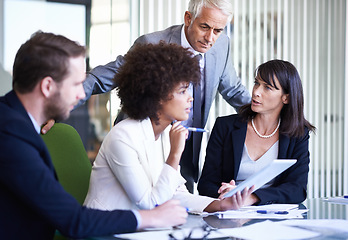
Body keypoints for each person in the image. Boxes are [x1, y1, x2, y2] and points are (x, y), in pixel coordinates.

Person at [42, 0, 251, 192]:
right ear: (188, 18)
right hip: (140, 146)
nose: (210, 38)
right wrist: (56, 106)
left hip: (185, 148)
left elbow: (233, 90)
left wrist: (271, 117)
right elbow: (103, 77)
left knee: (182, 208)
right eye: (204, 27)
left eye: (218, 30)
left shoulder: (221, 45)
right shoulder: (153, 43)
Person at [0, 31, 188, 240]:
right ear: (47, 86)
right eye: (75, 84)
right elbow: (73, 220)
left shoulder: (14, 121)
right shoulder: (10, 135)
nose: (82, 94)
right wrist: (151, 218)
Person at [84, 42, 254, 214]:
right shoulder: (123, 137)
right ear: (157, 96)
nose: (190, 99)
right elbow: (151, 203)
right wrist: (175, 154)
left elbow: (176, 194)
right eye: (182, 91)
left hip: (142, 228)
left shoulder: (166, 133)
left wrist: (222, 204)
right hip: (105, 230)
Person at [198, 59, 316, 206]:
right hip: (230, 213)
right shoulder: (225, 126)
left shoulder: (298, 134)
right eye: (256, 83)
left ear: (286, 97)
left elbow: (297, 189)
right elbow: (205, 185)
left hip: (274, 218)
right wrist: (229, 194)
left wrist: (252, 197)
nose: (256, 92)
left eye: (267, 87)